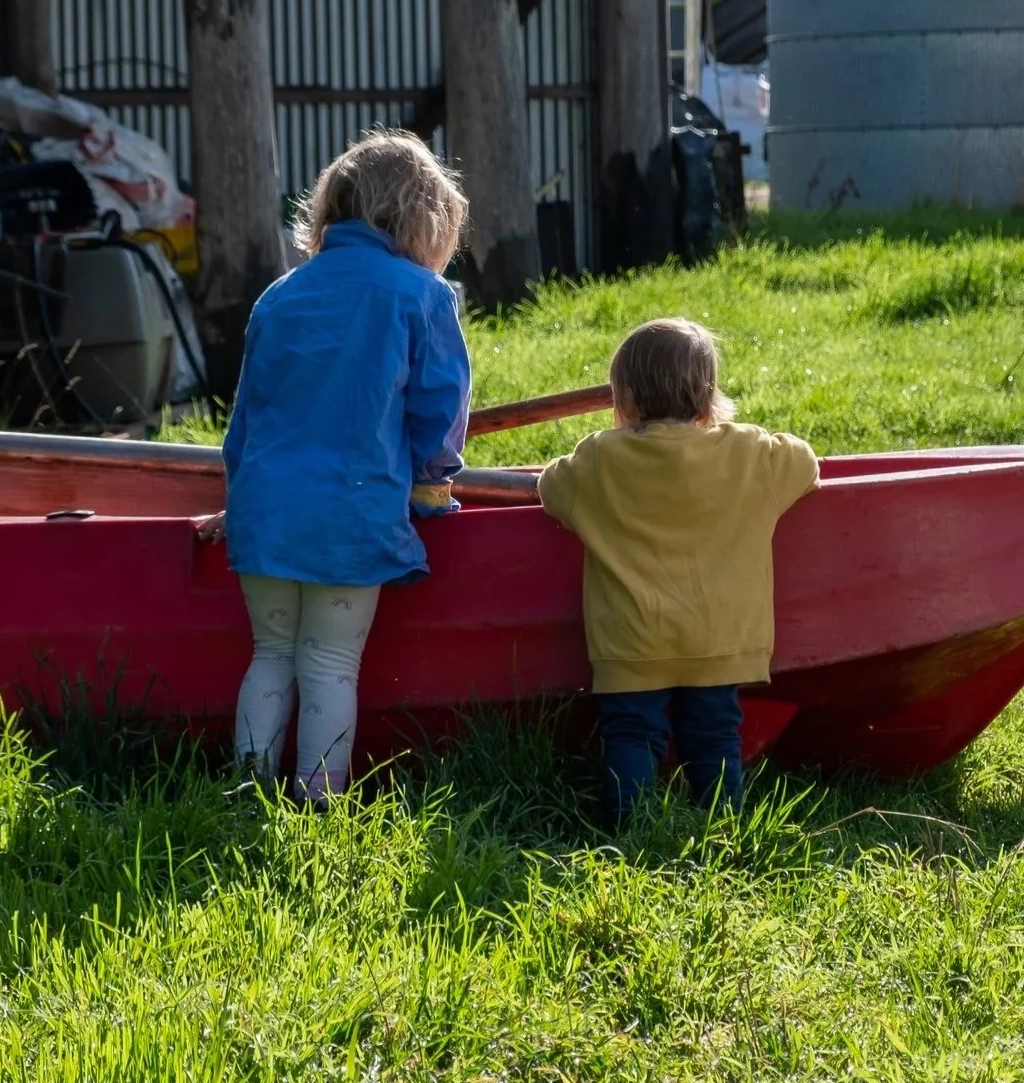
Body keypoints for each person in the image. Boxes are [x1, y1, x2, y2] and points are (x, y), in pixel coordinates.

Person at [215, 130, 470, 804]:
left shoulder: (280, 295)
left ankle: (245, 792)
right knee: (329, 662)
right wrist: (432, 484)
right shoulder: (421, 294)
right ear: (426, 216)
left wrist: (238, 500)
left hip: (265, 510)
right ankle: (317, 801)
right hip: (350, 512)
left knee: (271, 654)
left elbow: (244, 424)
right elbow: (438, 407)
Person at [537, 318, 819, 824]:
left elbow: (550, 487)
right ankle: (723, 827)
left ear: (623, 399)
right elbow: (806, 462)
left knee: (631, 734)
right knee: (714, 734)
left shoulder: (599, 459)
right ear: (709, 397)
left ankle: (630, 831)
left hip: (632, 640)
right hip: (719, 636)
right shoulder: (750, 452)